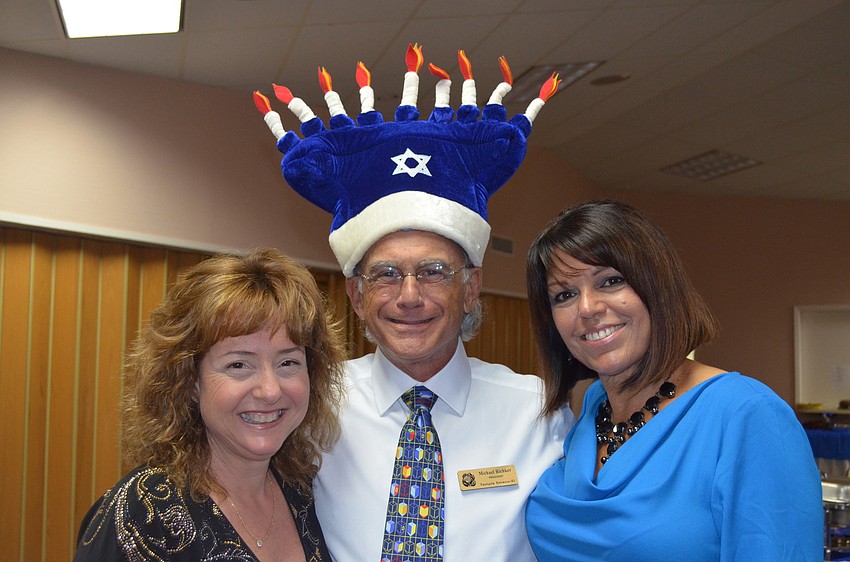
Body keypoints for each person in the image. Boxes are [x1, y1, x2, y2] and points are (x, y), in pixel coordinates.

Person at [254, 45, 574, 560]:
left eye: (433, 272)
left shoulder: (539, 412)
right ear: (357, 296)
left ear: (471, 288)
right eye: (385, 275)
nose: (409, 297)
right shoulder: (310, 405)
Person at [524, 199, 823, 561]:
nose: (586, 308)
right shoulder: (595, 406)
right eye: (564, 295)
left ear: (658, 287)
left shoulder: (747, 414)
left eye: (611, 281)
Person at [74, 248, 345, 561]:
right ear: (190, 380)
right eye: (238, 365)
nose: (270, 391)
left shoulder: (304, 493)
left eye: (288, 363)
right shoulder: (141, 515)